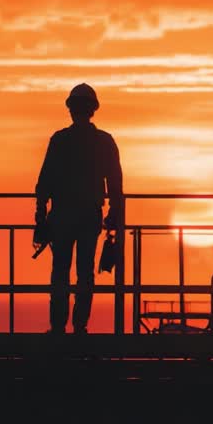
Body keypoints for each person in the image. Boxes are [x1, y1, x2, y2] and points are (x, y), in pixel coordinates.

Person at [34, 83, 124, 334]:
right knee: (85, 272)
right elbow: (115, 183)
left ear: (71, 110)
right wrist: (114, 215)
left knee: (60, 271)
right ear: (93, 110)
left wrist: (40, 216)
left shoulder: (60, 140)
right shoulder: (104, 142)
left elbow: (45, 181)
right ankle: (79, 325)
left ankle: (58, 326)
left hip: (62, 216)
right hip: (88, 215)